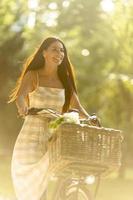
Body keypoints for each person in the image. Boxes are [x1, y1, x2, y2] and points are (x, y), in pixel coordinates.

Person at [9, 36, 91, 200]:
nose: (59, 53)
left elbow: (77, 107)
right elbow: (20, 96)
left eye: (62, 51)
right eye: (54, 49)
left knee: (49, 184)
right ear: (44, 53)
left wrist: (91, 119)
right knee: (34, 188)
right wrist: (23, 108)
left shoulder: (65, 81)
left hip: (54, 138)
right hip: (30, 137)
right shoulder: (34, 75)